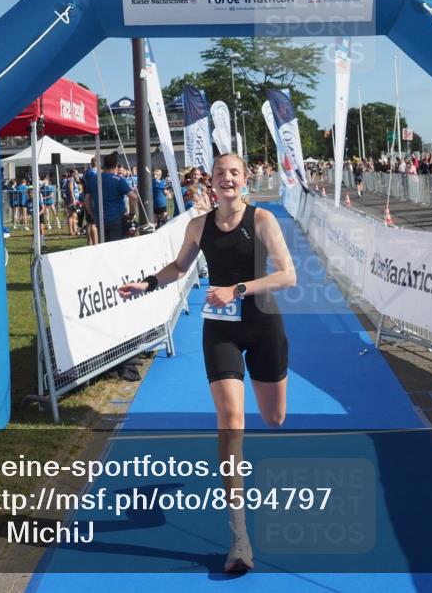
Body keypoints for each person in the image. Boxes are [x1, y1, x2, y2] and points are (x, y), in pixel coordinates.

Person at [118, 153, 297, 572]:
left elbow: (288, 275)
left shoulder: (262, 220)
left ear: (245, 179)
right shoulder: (198, 226)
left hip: (264, 324)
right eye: (220, 173)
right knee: (231, 419)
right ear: (211, 182)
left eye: (234, 172)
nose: (227, 178)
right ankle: (240, 539)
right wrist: (146, 283)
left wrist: (238, 289)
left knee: (274, 418)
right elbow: (179, 267)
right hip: (220, 329)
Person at [84, 152, 139, 243]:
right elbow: (133, 198)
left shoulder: (94, 179)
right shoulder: (119, 180)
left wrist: (93, 214)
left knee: (104, 245)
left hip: (100, 219)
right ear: (115, 166)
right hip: (116, 219)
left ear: (104, 165)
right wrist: (132, 214)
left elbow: (87, 200)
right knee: (117, 246)